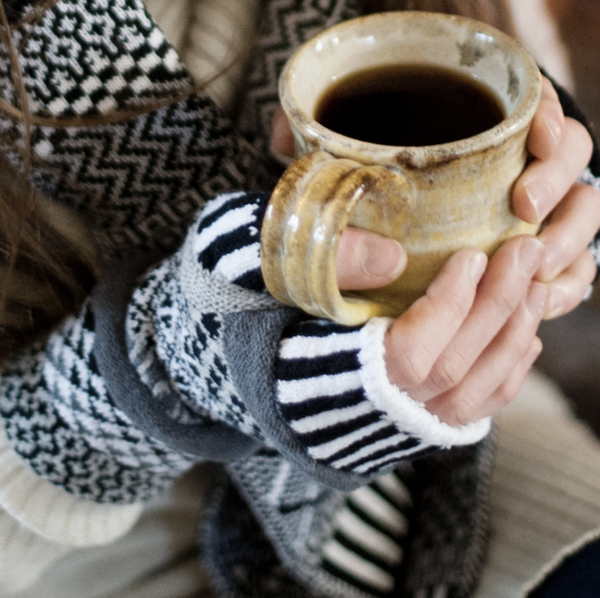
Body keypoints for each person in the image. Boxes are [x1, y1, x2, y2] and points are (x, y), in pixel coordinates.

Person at [0, 0, 599, 597]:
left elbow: (522, 97)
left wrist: (551, 199)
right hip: (111, 548)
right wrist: (175, 360)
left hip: (467, 446)